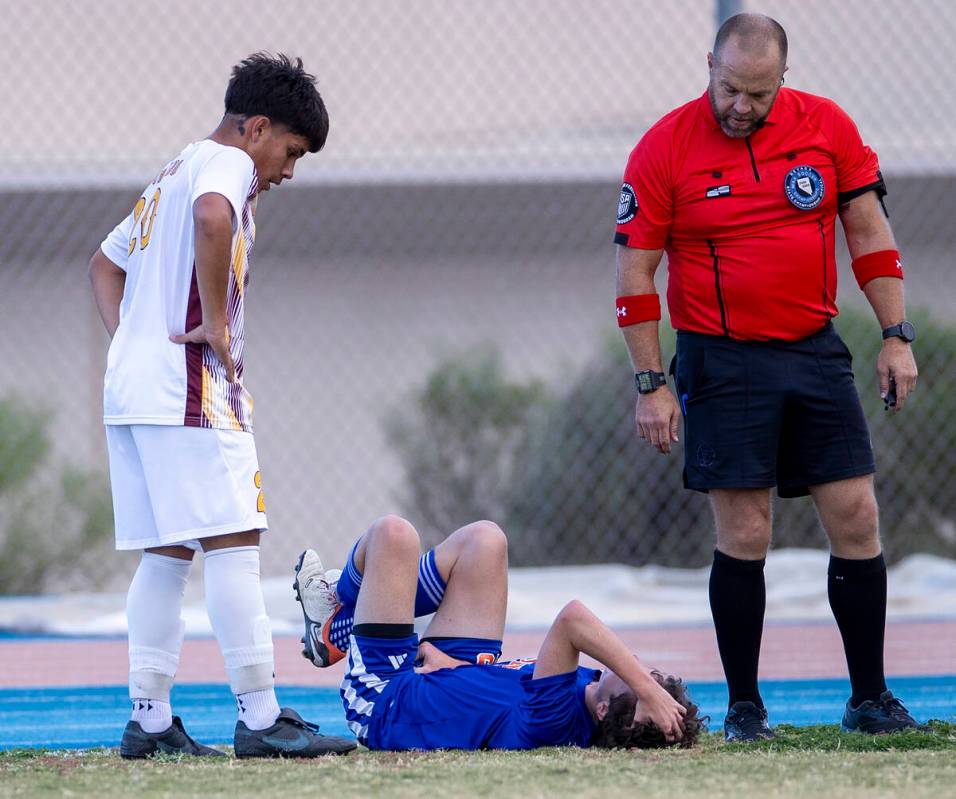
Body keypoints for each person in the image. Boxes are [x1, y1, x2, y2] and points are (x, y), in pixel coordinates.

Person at [613, 13, 926, 741]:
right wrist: (651, 381)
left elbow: (871, 234)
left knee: (856, 515)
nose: (740, 107)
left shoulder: (828, 128)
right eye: (729, 90)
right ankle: (746, 707)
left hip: (814, 349)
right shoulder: (664, 147)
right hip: (722, 358)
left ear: (782, 79)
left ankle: (870, 697)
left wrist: (895, 336)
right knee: (746, 527)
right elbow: (635, 270)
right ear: (709, 68)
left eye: (757, 93)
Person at [88, 53, 354, 759]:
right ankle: (262, 718)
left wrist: (136, 343)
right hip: (187, 386)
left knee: (166, 551)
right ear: (256, 127)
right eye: (290, 151)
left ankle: (149, 722)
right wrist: (206, 321)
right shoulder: (225, 166)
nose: (288, 170)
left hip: (134, 391)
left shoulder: (173, 167)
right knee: (236, 537)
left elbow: (104, 263)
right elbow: (214, 218)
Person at [293, 516, 705, 751]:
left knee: (395, 537)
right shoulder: (590, 687)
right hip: (448, 671)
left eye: (645, 686)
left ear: (602, 713)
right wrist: (455, 667)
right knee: (485, 542)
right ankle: (339, 628)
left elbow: (573, 619)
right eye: (658, 680)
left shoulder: (557, 720)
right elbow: (509, 686)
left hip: (388, 697)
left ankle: (331, 599)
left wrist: (649, 695)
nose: (646, 675)